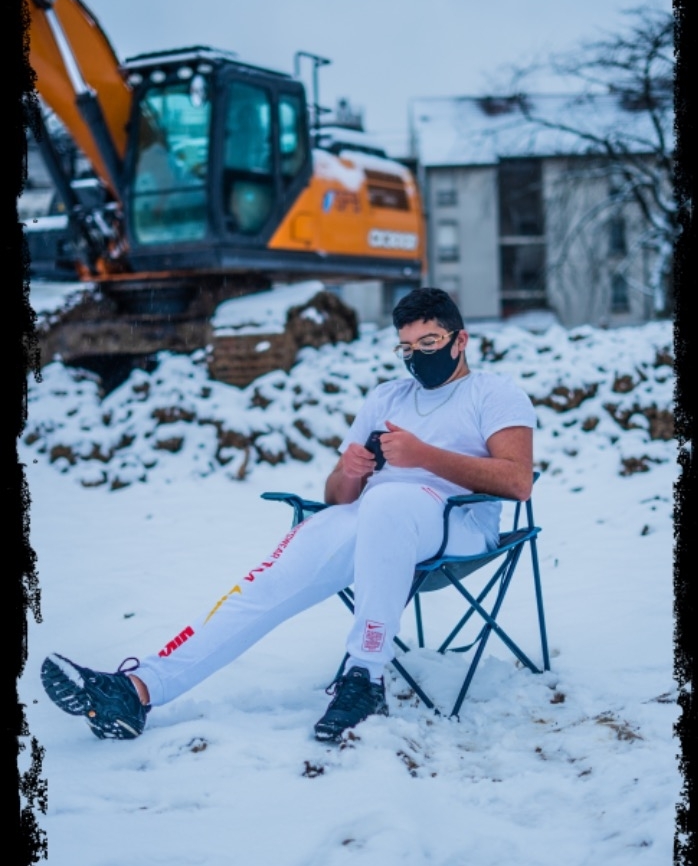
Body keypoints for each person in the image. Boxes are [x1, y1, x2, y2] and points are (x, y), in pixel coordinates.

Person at [41, 288, 537, 744]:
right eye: (406, 348)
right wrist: (350, 470)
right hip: (373, 517)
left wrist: (423, 456)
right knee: (272, 579)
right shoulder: (387, 397)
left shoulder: (494, 394)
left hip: (458, 524)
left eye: (428, 343)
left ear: (460, 340)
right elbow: (338, 495)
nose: (417, 357)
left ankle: (365, 676)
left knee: (387, 503)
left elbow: (518, 481)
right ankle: (139, 688)